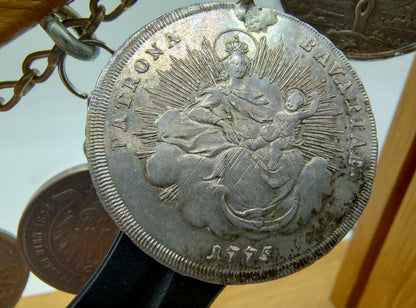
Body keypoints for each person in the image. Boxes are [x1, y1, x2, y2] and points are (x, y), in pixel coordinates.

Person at [246, 88, 318, 170]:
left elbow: (311, 112)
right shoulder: (279, 114)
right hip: (275, 134)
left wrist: (315, 100)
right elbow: (274, 125)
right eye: (289, 101)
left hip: (286, 139)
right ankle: (254, 145)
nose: (289, 103)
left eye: (293, 102)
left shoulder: (298, 115)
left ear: (299, 105)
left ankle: (273, 163)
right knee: (264, 138)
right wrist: (268, 131)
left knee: (275, 145)